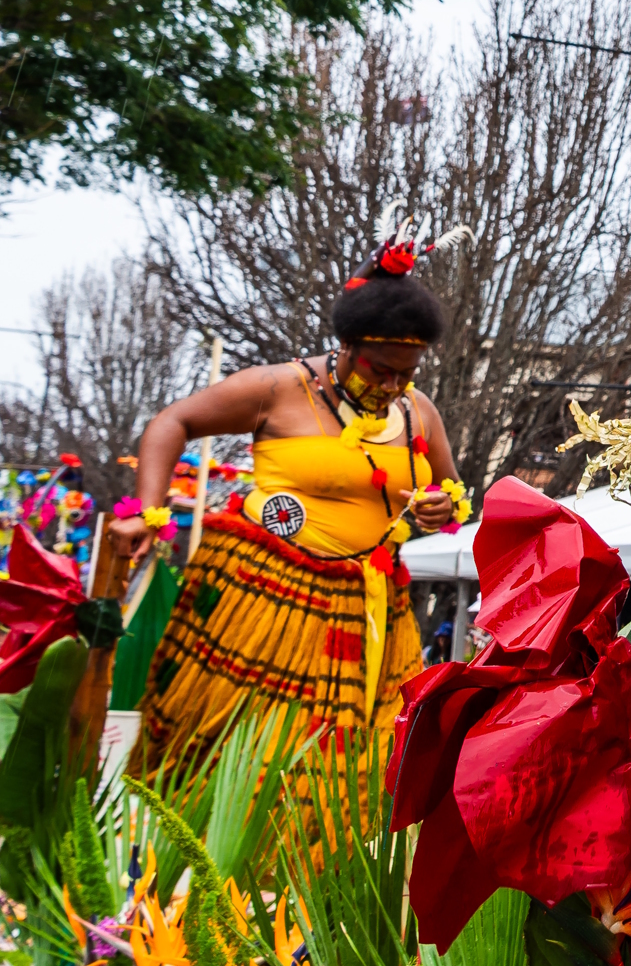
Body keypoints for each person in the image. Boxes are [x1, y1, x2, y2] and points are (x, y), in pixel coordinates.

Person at [119, 234, 469, 770]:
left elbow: (452, 491)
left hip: (370, 606)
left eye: (407, 372)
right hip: (264, 594)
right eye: (380, 369)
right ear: (347, 346)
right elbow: (173, 421)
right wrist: (149, 513)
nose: (393, 384)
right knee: (242, 748)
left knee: (346, 764)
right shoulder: (279, 388)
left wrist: (441, 507)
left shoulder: (418, 410)